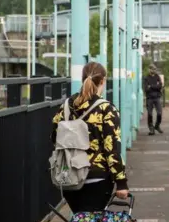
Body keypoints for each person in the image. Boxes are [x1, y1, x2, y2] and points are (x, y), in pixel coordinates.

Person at [52, 62, 129, 212]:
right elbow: (112, 149)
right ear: (103, 81)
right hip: (97, 177)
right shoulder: (106, 109)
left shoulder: (66, 106)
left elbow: (54, 137)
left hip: (70, 176)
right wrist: (121, 182)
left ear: (82, 79)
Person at [144, 63, 164, 136]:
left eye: (154, 69)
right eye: (152, 69)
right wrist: (156, 86)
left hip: (157, 97)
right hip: (149, 98)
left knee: (159, 113)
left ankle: (157, 125)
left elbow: (160, 86)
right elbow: (146, 89)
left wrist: (151, 86)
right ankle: (151, 128)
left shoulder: (157, 77)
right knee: (149, 114)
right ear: (149, 70)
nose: (154, 70)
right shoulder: (146, 78)